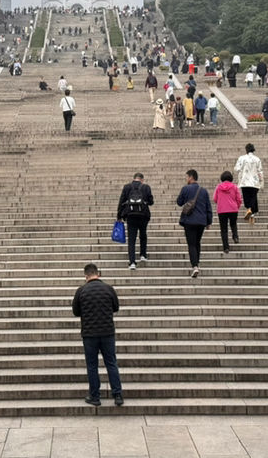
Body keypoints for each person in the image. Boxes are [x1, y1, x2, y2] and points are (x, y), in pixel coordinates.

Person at [71, 263, 124, 407]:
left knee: (92, 365)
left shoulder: (81, 291)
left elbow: (75, 312)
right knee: (111, 363)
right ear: (98, 274)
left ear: (85, 276)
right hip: (107, 332)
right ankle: (117, 395)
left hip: (89, 334)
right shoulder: (108, 289)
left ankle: (95, 396)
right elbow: (116, 307)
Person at [177, 169, 213, 278]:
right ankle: (197, 262)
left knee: (191, 243)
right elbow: (208, 207)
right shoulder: (203, 191)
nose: (186, 179)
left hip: (189, 221)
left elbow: (179, 202)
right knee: (197, 242)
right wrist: (209, 221)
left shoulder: (185, 189)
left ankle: (195, 265)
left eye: (187, 177)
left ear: (191, 177)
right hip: (201, 221)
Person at [117, 173, 154, 269]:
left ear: (133, 179)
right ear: (142, 179)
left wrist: (119, 215)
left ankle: (132, 262)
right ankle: (143, 255)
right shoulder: (146, 187)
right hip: (143, 215)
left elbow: (121, 201)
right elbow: (151, 202)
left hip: (131, 215)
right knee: (143, 235)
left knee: (131, 239)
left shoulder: (127, 187)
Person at [213, 171, 242, 254]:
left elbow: (215, 199)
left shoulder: (218, 187)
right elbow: (239, 199)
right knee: (233, 224)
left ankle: (226, 247)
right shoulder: (235, 187)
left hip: (222, 210)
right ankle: (235, 236)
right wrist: (237, 206)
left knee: (224, 229)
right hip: (233, 209)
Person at [234, 143, 263, 225]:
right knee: (253, 197)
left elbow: (237, 168)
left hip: (245, 181)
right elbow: (260, 171)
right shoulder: (257, 159)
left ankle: (249, 210)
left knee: (247, 198)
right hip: (255, 182)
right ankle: (252, 214)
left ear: (246, 150)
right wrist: (261, 181)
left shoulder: (242, 158)